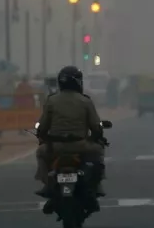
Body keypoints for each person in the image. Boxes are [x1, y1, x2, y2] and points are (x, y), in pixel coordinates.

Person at [35, 66, 106, 208]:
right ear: (78, 82)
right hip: (80, 145)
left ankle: (48, 185)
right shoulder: (85, 101)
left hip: (56, 146)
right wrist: (98, 137)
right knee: (99, 152)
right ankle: (97, 186)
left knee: (40, 153)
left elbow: (42, 126)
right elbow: (96, 127)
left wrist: (43, 137)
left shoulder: (51, 101)